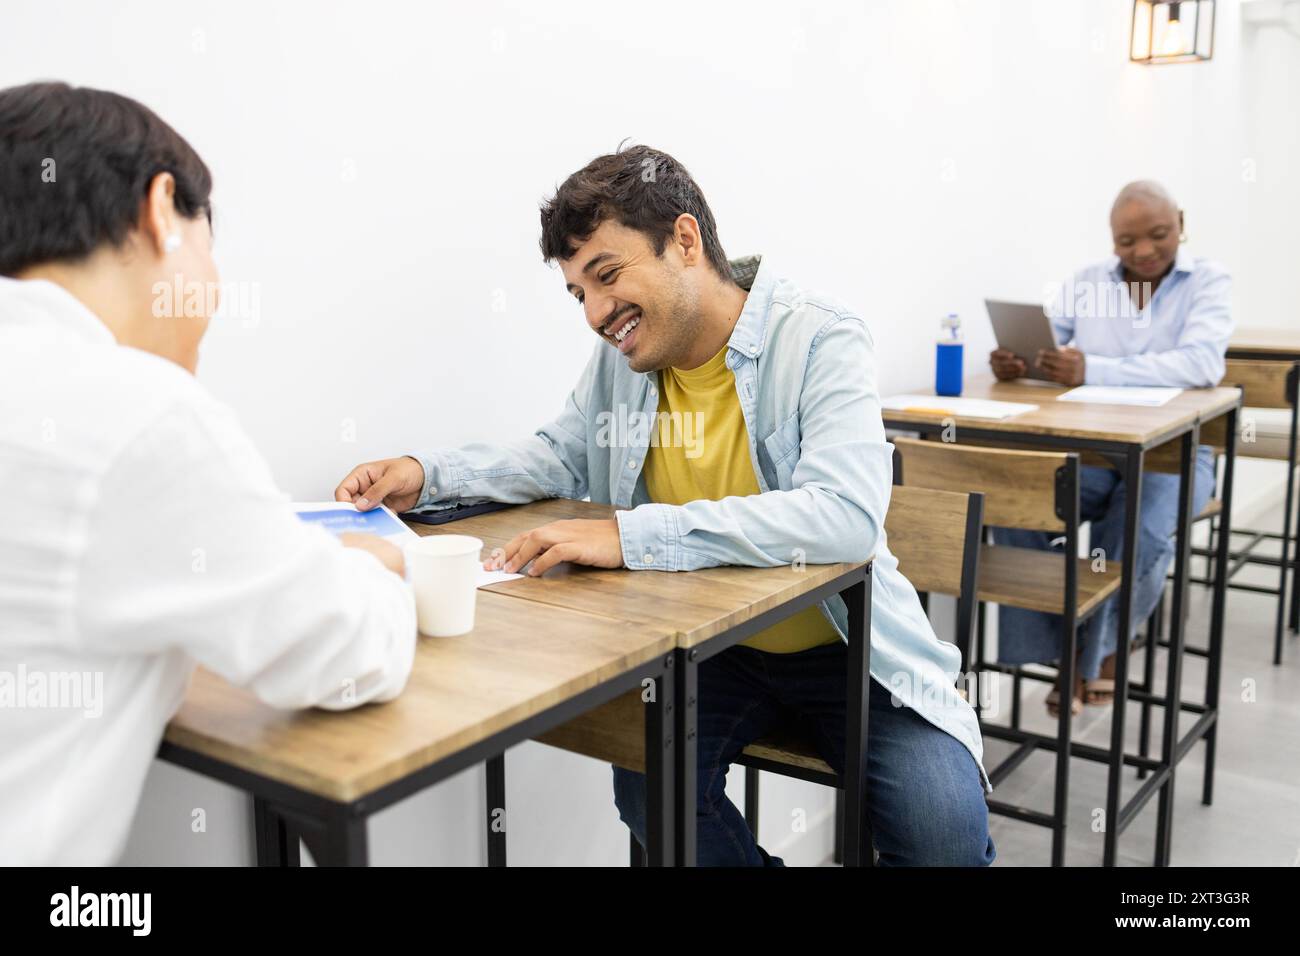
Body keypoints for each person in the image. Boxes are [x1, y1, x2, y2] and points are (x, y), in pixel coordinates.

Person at [336, 144, 994, 866]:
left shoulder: (818, 336)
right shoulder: (627, 354)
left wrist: (632, 535)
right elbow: (558, 455)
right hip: (710, 653)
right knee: (653, 796)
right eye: (578, 292)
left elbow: (844, 516)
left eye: (607, 276)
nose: (593, 312)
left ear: (684, 241)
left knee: (945, 842)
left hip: (850, 651)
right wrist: (425, 474)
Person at [0, 82, 417, 865]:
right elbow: (345, 650)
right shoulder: (134, 412)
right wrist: (376, 567)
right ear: (162, 208)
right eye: (208, 240)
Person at [988, 180, 1230, 714]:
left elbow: (1202, 364)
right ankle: (1070, 648)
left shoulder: (1208, 281)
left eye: (1158, 235)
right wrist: (1021, 363)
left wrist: (1094, 369)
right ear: (1111, 240)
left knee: (1137, 519)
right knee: (1015, 497)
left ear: (1182, 224)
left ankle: (1094, 656)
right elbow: (1055, 352)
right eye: (1126, 241)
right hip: (1099, 453)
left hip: (1179, 454)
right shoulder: (1088, 282)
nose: (1143, 251)